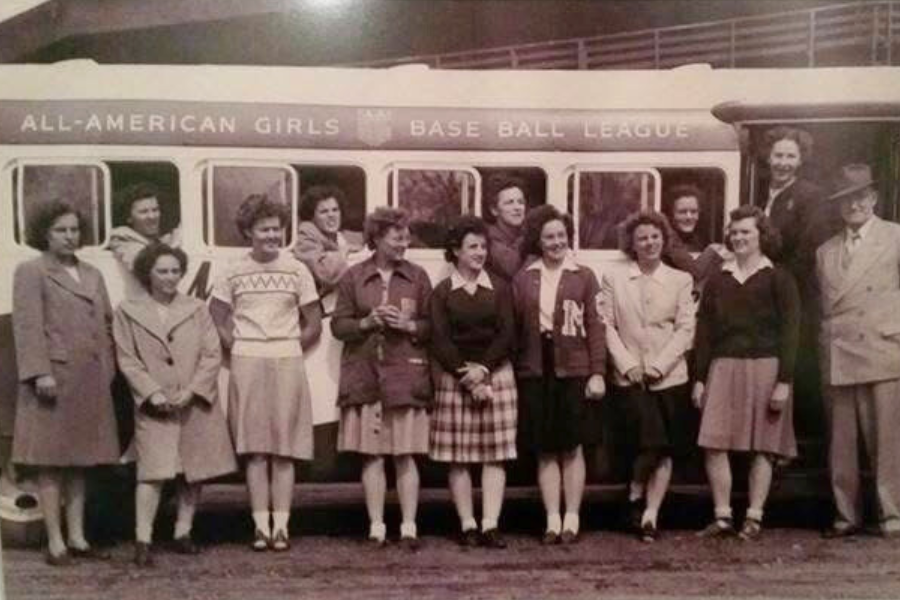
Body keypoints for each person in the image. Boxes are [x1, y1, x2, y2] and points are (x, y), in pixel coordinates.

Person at [209, 194, 322, 552]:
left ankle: (282, 527)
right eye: (264, 229)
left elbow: (314, 322)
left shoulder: (297, 270)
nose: (272, 236)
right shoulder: (232, 270)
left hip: (287, 359)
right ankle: (260, 526)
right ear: (248, 232)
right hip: (247, 360)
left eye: (276, 229)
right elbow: (217, 318)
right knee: (256, 450)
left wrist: (286, 346)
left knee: (284, 450)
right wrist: (241, 347)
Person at [11, 199, 120, 566]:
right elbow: (27, 327)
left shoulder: (92, 273)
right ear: (45, 233)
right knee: (50, 462)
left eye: (74, 229)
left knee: (80, 462)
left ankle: (78, 538)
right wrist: (39, 371)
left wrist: (107, 368)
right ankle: (55, 541)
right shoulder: (31, 271)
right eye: (61, 230)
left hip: (89, 379)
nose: (70, 237)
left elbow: (106, 323)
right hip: (52, 380)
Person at [114, 244, 237, 567]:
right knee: (152, 473)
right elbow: (128, 360)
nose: (170, 278)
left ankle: (184, 531)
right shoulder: (128, 310)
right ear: (147, 274)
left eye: (175, 271)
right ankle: (143, 539)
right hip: (155, 405)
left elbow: (212, 355)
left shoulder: (197, 308)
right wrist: (152, 393)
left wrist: (193, 391)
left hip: (194, 403)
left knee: (192, 472)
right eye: (162, 271)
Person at [693, 205, 800, 541]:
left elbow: (791, 332)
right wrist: (699, 378)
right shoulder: (718, 279)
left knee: (763, 446)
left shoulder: (779, 277)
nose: (739, 238)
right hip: (723, 366)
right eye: (735, 232)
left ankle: (753, 517)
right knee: (713, 442)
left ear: (761, 236)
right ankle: (723, 517)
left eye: (746, 232)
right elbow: (705, 331)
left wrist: (784, 381)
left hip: (767, 367)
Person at [332, 207, 433, 549]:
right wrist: (368, 321)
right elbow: (338, 325)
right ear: (376, 238)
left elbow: (432, 326)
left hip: (405, 374)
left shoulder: (418, 277)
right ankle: (376, 526)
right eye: (397, 237)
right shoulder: (353, 276)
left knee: (405, 454)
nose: (404, 243)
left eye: (406, 237)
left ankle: (408, 526)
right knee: (372, 455)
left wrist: (409, 326)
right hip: (366, 375)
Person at [512, 205, 606, 544]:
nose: (556, 242)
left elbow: (596, 326)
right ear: (539, 240)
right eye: (549, 236)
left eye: (561, 236)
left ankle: (572, 517)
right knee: (544, 447)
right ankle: (552, 518)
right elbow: (516, 328)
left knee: (571, 445)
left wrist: (598, 372)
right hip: (536, 368)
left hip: (574, 368)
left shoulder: (584, 275)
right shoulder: (524, 277)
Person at [816, 164, 900, 538]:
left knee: (886, 440)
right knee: (841, 443)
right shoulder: (825, 251)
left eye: (859, 197)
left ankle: (892, 514)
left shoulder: (896, 237)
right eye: (845, 199)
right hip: (838, 351)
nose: (853, 205)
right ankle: (847, 515)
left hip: (882, 346)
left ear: (873, 198)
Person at [602, 211, 695, 542]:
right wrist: (628, 365)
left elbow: (685, 329)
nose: (649, 243)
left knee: (664, 448)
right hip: (631, 376)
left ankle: (648, 513)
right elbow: (607, 326)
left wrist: (659, 366)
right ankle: (633, 496)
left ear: (664, 239)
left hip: (668, 376)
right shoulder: (615, 278)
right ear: (632, 243)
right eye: (642, 238)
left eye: (655, 236)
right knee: (648, 443)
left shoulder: (680, 280)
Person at [429, 216, 517, 549]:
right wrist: (467, 377)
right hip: (457, 378)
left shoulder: (501, 287)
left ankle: (490, 524)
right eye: (473, 247)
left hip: (496, 374)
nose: (480, 252)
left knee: (495, 456)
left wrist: (483, 369)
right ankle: (467, 524)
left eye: (483, 246)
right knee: (459, 457)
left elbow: (507, 334)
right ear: (456, 251)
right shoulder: (442, 292)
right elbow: (440, 338)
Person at [754, 127, 838, 440]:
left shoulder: (810, 196)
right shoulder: (763, 192)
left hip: (796, 295)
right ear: (768, 157)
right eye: (778, 155)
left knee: (797, 366)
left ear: (801, 160)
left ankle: (801, 445)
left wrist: (772, 280)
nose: (783, 162)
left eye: (791, 156)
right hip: (768, 294)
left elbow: (808, 252)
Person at [292, 184, 364, 295]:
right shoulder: (305, 237)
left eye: (335, 210)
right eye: (323, 212)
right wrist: (343, 252)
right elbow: (325, 273)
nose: (331, 215)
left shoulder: (344, 237)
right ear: (312, 216)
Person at [109, 182, 182, 272]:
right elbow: (150, 267)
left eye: (155, 210)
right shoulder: (121, 239)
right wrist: (174, 244)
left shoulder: (158, 240)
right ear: (129, 218)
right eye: (143, 212)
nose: (152, 216)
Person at [663, 184, 725, 288]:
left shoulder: (695, 238)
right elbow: (693, 272)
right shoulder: (668, 237)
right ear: (671, 214)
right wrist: (713, 250)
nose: (689, 216)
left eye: (694, 212)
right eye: (682, 212)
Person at [485, 175, 529, 280]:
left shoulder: (525, 234)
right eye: (509, 203)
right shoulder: (489, 239)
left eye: (521, 202)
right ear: (494, 210)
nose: (517, 207)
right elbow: (513, 268)